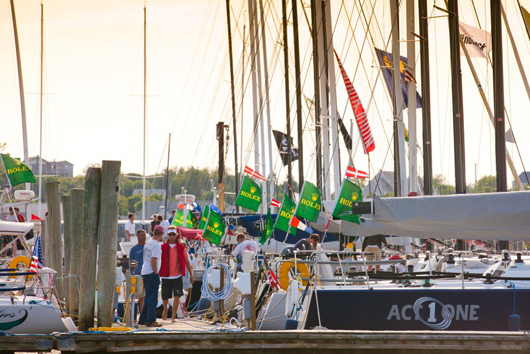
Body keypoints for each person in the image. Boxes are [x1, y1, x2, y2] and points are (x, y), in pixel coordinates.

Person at [159, 226, 194, 322]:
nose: (171, 236)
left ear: (176, 235)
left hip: (177, 276)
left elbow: (187, 261)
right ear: (167, 235)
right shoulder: (162, 247)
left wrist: (191, 275)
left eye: (173, 234)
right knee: (165, 297)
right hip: (166, 275)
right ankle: (165, 309)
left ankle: (173, 316)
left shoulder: (181, 247)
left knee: (177, 296)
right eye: (170, 234)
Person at [138, 225, 164, 328]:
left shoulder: (148, 242)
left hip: (145, 271)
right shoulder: (156, 245)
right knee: (153, 298)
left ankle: (143, 319)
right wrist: (156, 271)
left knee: (148, 297)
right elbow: (153, 259)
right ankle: (151, 320)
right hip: (151, 273)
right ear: (161, 234)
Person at [129, 229, 147, 315]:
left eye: (145, 235)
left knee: (145, 295)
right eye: (142, 235)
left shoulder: (148, 247)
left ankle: (143, 313)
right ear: (138, 236)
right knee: (138, 294)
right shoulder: (134, 249)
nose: (144, 237)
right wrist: (132, 274)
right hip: (138, 275)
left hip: (147, 274)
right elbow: (131, 262)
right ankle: (137, 312)